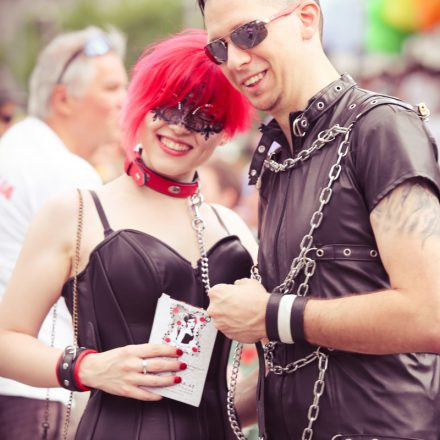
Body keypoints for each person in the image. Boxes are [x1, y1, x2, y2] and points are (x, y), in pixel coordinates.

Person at [197, 0, 440, 439]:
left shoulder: (381, 128)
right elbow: (295, 357)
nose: (234, 59)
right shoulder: (275, 160)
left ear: (306, 19)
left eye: (249, 33)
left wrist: (272, 315)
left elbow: (431, 314)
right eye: (219, 47)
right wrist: (193, 414)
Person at [0, 29, 257, 440]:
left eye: (204, 115)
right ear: (141, 102)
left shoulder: (234, 228)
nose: (179, 127)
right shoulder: (77, 211)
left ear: (226, 131)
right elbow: (5, 340)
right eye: (166, 105)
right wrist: (87, 367)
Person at [0, 26, 127, 439]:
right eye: (111, 87)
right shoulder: (65, 172)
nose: (125, 101)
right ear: (62, 98)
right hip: (34, 386)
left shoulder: (14, 146)